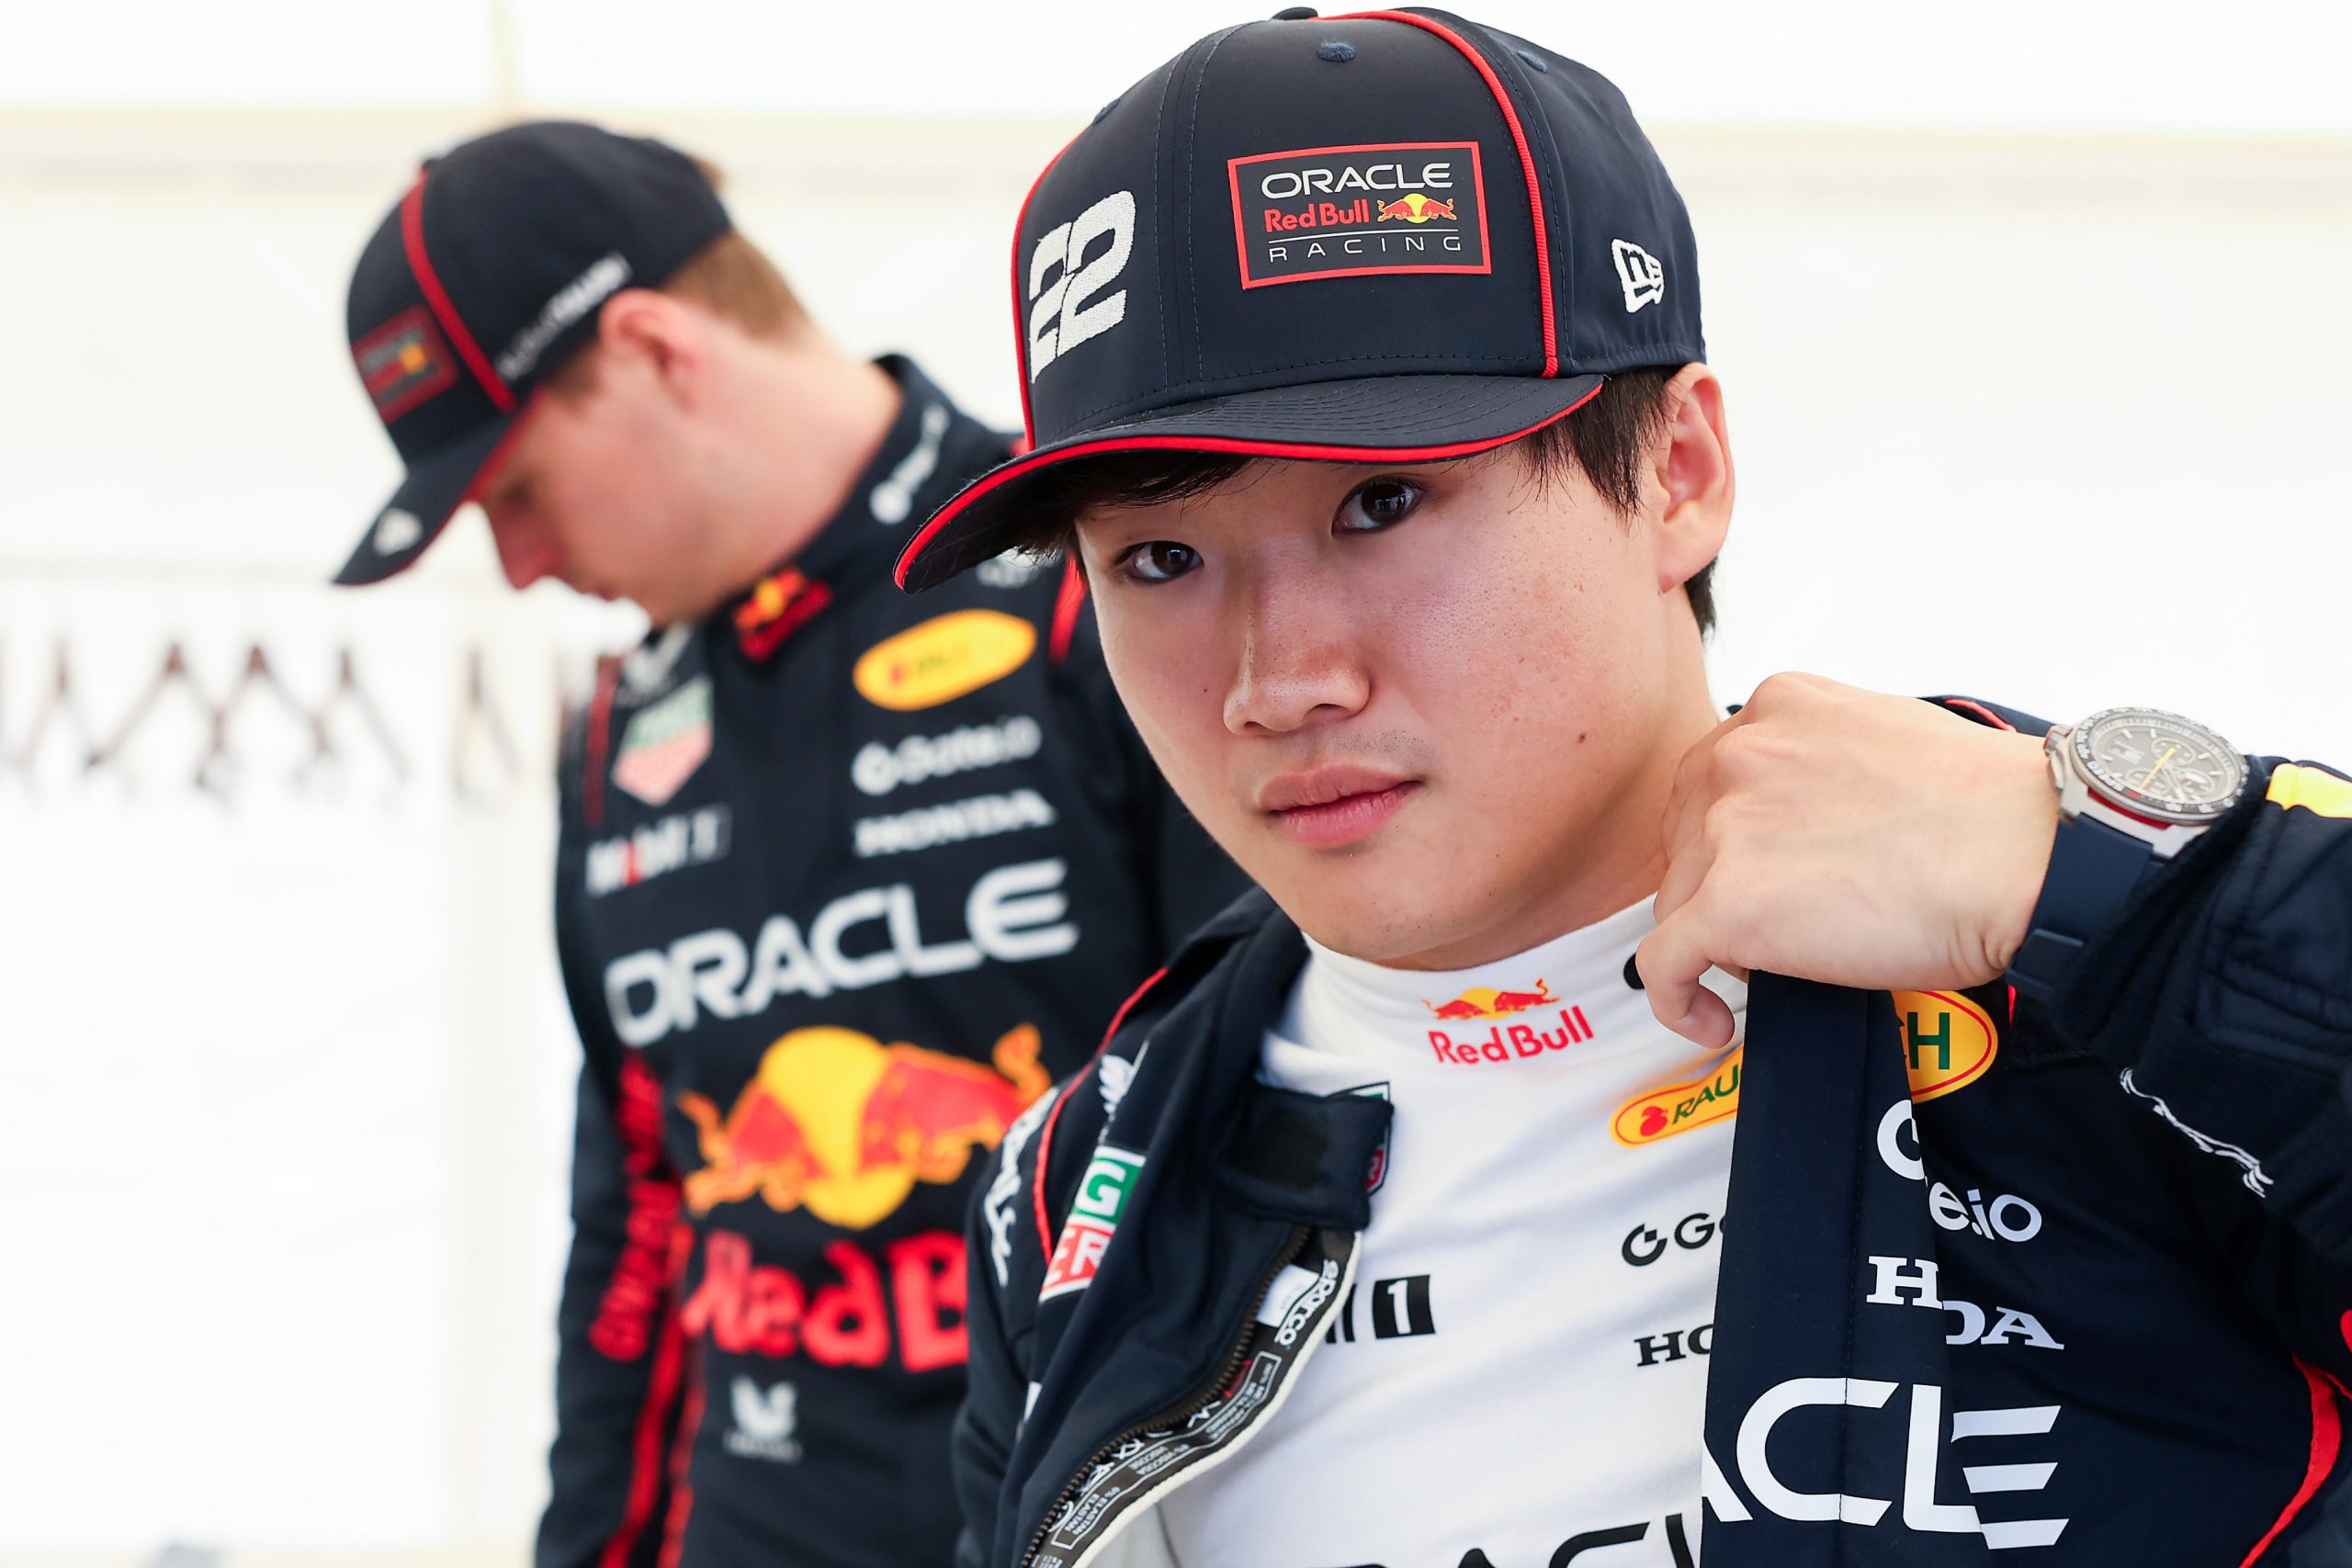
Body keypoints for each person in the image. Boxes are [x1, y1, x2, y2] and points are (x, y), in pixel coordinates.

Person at [891, 11, 2352, 1567]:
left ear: (1678, 472)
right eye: (1159, 558)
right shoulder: (1082, 1181)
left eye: (1382, 502)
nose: (1278, 678)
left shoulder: (2054, 962)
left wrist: (2126, 885)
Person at [335, 120, 1242, 1568]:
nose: (514, 565)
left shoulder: (1099, 575)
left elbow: (1291, 1088)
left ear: (653, 349)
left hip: (1094, 1514)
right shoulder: (622, 730)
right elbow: (635, 1221)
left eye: (513, 488)